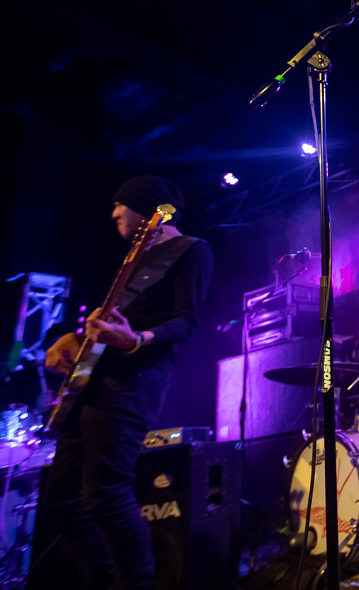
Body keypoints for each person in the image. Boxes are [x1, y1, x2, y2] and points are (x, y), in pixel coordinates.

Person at [43, 175, 213, 589]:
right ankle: (104, 580)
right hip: (91, 384)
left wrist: (136, 340)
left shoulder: (191, 250)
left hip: (131, 383)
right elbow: (114, 323)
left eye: (120, 204)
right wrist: (76, 338)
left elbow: (187, 322)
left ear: (145, 207)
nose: (114, 212)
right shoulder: (133, 261)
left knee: (106, 494)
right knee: (63, 502)